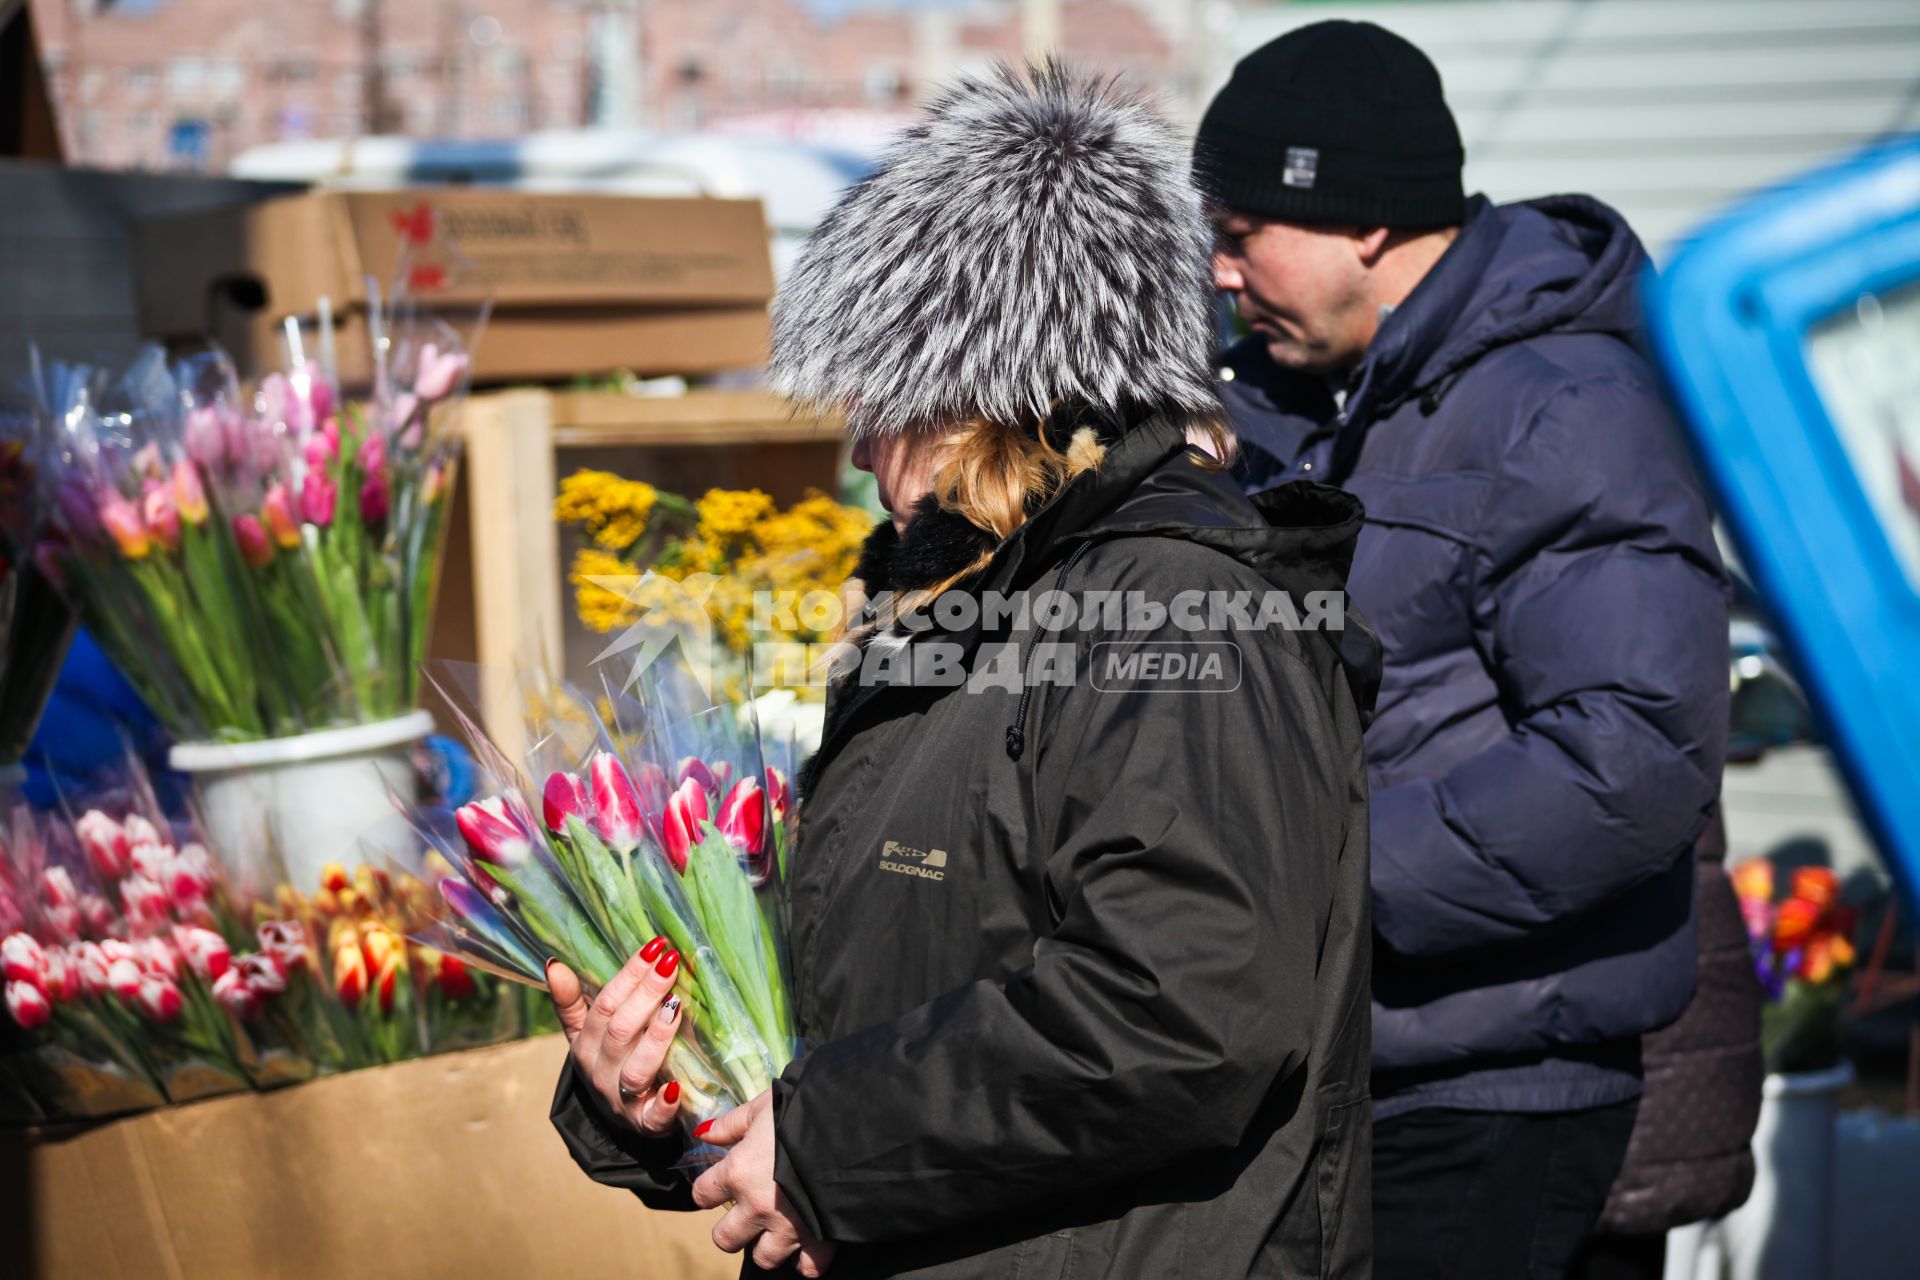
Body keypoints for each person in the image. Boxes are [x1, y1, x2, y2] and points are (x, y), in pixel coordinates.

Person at [544, 63, 1379, 1278]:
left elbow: (1184, 1013)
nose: (858, 439)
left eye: (876, 393)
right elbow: (884, 973)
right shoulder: (957, 606)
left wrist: (829, 1143)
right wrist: (664, 1091)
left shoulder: (1170, 610)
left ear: (974, 392)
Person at [1196, 20, 1731, 1280]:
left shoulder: (1563, 406)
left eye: (1239, 235)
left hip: (1491, 1092)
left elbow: (1633, 753)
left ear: (1363, 224)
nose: (1217, 273)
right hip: (1354, 1061)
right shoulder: (1310, 405)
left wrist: (1326, 884)